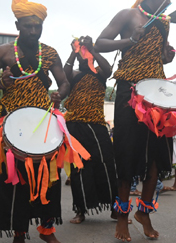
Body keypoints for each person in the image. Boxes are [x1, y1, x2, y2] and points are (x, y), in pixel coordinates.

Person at [0, 0, 70, 243]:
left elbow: (64, 81)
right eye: (27, 25)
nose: (32, 30)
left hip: (43, 124)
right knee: (16, 179)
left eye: (37, 26)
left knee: (49, 178)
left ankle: (47, 230)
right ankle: (19, 232)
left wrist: (60, 93)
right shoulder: (4, 52)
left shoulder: (49, 53)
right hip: (12, 125)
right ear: (17, 25)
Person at [95, 0, 175, 241]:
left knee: (156, 156)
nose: (168, 3)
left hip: (156, 94)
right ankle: (122, 217)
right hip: (129, 92)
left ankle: (144, 212)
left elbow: (161, 55)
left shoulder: (164, 23)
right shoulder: (128, 15)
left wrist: (168, 54)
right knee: (128, 155)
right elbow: (100, 43)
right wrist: (129, 40)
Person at [63, 36, 118, 224]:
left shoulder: (100, 73)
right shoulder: (74, 74)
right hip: (75, 125)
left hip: (96, 125)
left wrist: (93, 49)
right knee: (79, 168)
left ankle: (114, 209)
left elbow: (109, 69)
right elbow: (64, 74)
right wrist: (74, 50)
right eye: (81, 51)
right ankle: (80, 210)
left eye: (86, 51)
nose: (84, 54)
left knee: (106, 164)